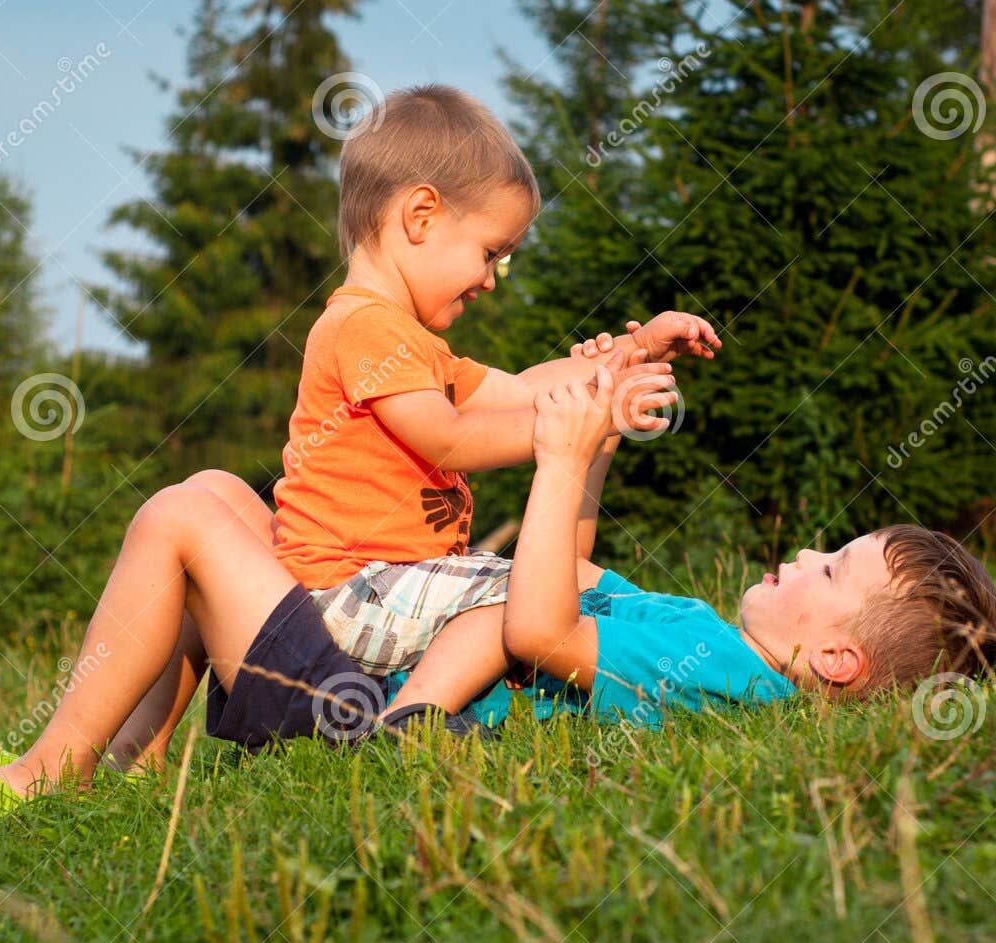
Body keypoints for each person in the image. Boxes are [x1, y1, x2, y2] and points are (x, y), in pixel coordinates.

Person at [0, 367, 996, 827]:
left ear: (833, 661)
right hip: (369, 695)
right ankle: (106, 776)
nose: (802, 556)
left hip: (358, 715)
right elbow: (564, 584)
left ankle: (41, 778)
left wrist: (560, 458)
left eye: (829, 572)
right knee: (222, 492)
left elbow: (527, 627)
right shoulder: (704, 647)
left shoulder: (723, 673)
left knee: (178, 518)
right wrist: (596, 449)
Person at [273, 82, 720, 725]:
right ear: (420, 216)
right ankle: (413, 720)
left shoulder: (411, 343)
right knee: (527, 594)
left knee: (529, 589)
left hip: (390, 587)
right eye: (489, 254)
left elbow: (522, 386)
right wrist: (579, 423)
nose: (489, 279)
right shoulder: (364, 329)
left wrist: (629, 356)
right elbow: (450, 439)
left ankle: (426, 708)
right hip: (346, 593)